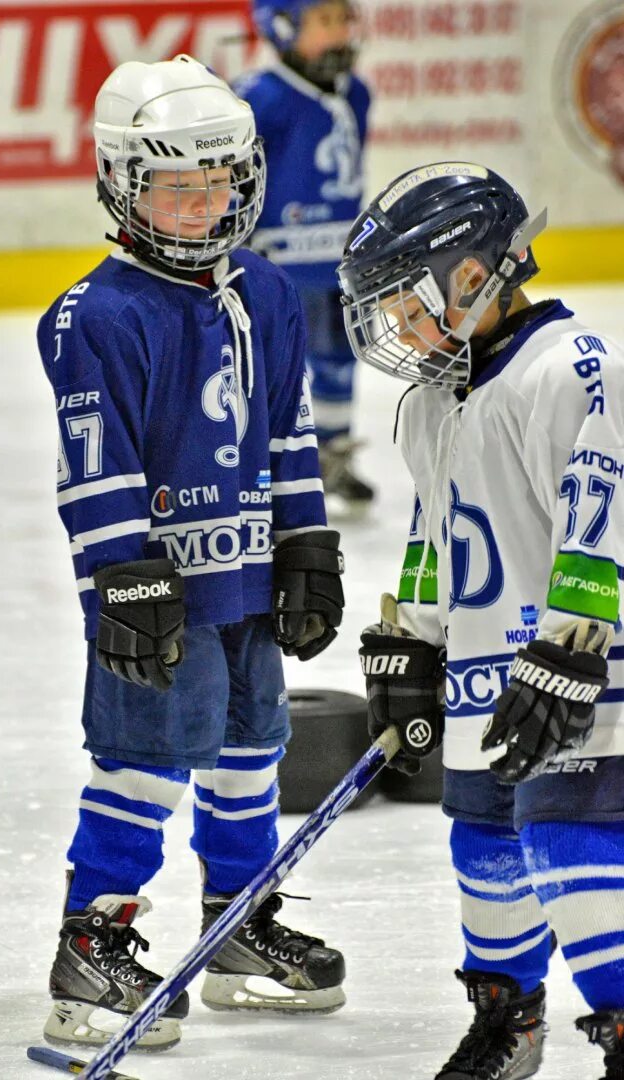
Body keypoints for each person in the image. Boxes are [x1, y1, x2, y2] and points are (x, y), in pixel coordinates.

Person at [35, 54, 347, 1054]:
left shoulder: (264, 288)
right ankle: (93, 944)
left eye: (219, 179)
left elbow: (287, 433)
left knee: (254, 752)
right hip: (158, 589)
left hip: (247, 575)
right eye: (178, 185)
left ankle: (235, 923)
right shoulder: (98, 316)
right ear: (125, 185)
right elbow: (97, 467)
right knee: (142, 763)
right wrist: (122, 576)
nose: (205, 201)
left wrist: (304, 543)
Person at [337, 161, 624, 1078]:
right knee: (485, 841)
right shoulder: (432, 397)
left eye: (404, 301)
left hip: (575, 667)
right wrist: (412, 639)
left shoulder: (574, 371)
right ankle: (510, 1020)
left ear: (471, 275)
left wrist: (573, 646)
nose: (394, 325)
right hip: (485, 669)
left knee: (567, 839)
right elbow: (435, 525)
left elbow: (601, 510)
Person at [235, 0, 375, 511]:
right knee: (276, 368)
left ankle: (334, 456)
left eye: (343, 20)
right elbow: (235, 177)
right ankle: (268, 469)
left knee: (340, 358)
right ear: (281, 27)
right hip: (280, 266)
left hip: (340, 261)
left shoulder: (356, 92)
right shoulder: (259, 97)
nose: (339, 33)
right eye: (324, 22)